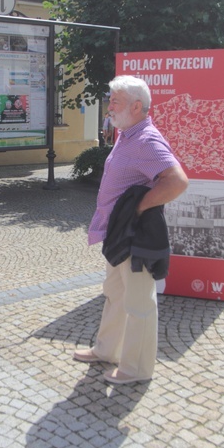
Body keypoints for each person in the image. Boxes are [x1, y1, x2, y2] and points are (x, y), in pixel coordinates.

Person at [73, 75, 189, 385]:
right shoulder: (127, 135)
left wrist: (137, 209)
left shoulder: (146, 139)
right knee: (115, 293)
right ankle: (107, 349)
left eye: (115, 101)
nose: (108, 106)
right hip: (117, 233)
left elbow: (177, 181)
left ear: (137, 106)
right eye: (110, 100)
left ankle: (137, 368)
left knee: (139, 302)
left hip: (133, 234)